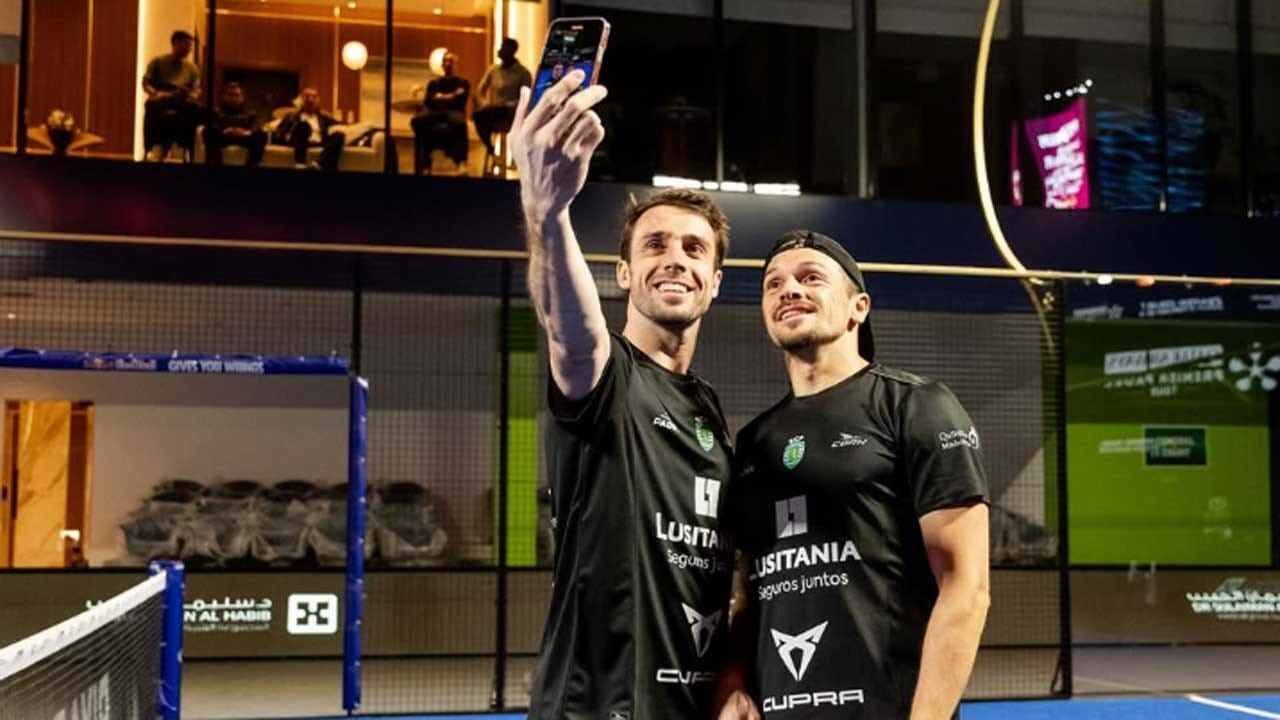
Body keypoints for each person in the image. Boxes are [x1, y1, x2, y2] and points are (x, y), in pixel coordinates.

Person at [513, 70, 737, 719]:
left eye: (694, 248)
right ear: (624, 273)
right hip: (594, 707)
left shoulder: (709, 411)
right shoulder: (606, 377)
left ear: (714, 281)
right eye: (655, 245)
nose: (676, 258)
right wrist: (548, 213)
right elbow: (570, 332)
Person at [717, 231, 990, 720]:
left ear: (857, 307)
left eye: (811, 278)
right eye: (773, 284)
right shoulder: (753, 442)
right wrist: (734, 681)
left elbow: (965, 586)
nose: (789, 290)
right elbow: (746, 587)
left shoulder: (916, 406)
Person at [141, 30, 202, 161]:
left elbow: (196, 90)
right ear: (175, 43)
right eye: (186, 44)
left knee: (194, 109)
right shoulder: (157, 62)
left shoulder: (192, 69)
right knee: (150, 105)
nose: (189, 49)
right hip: (162, 97)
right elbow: (146, 83)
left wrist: (190, 94)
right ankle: (150, 149)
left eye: (190, 46)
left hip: (182, 100)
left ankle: (187, 150)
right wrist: (156, 93)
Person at [472, 38, 532, 159]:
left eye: (503, 47)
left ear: (511, 51)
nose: (499, 50)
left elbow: (526, 99)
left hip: (511, 114)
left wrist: (508, 105)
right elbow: (479, 91)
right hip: (493, 111)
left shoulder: (523, 73)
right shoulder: (493, 70)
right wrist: (484, 103)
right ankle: (490, 149)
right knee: (478, 115)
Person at [411, 51, 469, 174]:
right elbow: (429, 102)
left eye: (450, 61)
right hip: (435, 112)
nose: (447, 64)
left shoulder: (463, 83)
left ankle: (461, 162)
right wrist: (452, 95)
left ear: (455, 64)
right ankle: (424, 162)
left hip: (453, 112)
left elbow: (460, 102)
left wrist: (439, 97)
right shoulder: (433, 83)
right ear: (442, 64)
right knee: (417, 121)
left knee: (461, 124)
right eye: (445, 61)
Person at [273, 87, 344, 171]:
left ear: (318, 100)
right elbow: (279, 132)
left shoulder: (324, 117)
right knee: (304, 125)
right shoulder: (291, 116)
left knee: (339, 135)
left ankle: (318, 163)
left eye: (314, 97)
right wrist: (286, 136)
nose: (310, 100)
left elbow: (341, 125)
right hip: (299, 142)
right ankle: (300, 164)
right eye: (307, 96)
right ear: (301, 100)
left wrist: (333, 117)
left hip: (319, 142)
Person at [201, 82, 266, 167]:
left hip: (244, 137)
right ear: (224, 97)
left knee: (262, 135)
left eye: (237, 95)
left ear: (242, 97)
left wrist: (245, 133)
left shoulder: (250, 114)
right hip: (223, 136)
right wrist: (225, 131)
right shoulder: (217, 112)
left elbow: (256, 128)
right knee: (208, 132)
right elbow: (212, 125)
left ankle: (251, 168)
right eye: (230, 95)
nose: (233, 98)